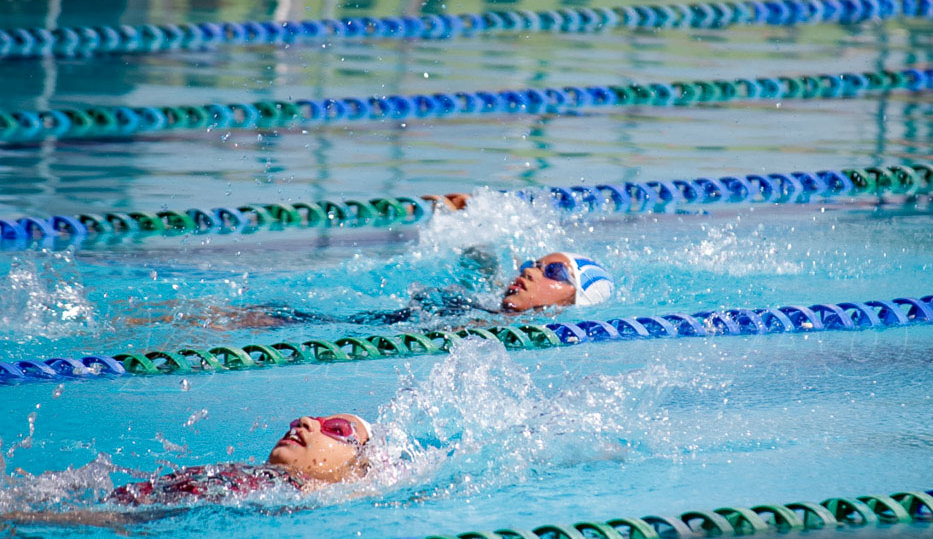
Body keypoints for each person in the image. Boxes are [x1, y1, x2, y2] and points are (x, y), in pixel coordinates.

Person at [0, 414, 376, 525]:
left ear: (356, 468)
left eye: (337, 430)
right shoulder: (267, 480)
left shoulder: (310, 494)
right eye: (308, 416)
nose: (306, 421)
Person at [117, 250, 615, 329]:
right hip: (355, 320)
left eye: (554, 274)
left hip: (340, 326)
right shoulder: (483, 307)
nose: (530, 272)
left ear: (573, 302)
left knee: (263, 317)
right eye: (531, 263)